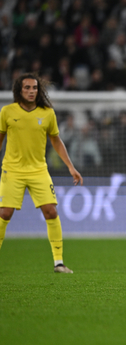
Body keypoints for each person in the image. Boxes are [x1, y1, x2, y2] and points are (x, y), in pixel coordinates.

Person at [0, 73, 83, 273]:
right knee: (4, 213)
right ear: (19, 90)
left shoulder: (47, 113)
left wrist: (71, 167)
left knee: (51, 211)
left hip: (39, 171)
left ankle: (59, 263)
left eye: (35, 88)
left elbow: (56, 140)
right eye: (27, 88)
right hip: (13, 170)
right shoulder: (7, 112)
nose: (31, 91)